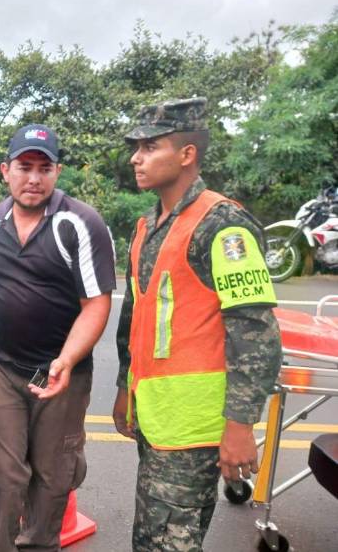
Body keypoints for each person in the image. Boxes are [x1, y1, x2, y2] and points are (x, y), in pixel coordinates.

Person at [114, 97, 283, 551]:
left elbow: (256, 333)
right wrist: (122, 390)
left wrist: (240, 425)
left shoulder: (222, 225)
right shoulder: (148, 226)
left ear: (187, 154)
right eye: (136, 147)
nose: (136, 157)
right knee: (149, 536)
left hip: (195, 428)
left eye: (150, 146)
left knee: (170, 543)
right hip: (155, 421)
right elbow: (137, 319)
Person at [0, 124, 116, 551]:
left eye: (44, 168)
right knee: (1, 473)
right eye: (24, 167)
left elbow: (96, 303)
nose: (33, 178)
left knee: (53, 477)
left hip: (61, 373)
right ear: (5, 171)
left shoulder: (80, 223)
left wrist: (67, 360)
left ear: (57, 173)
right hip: (1, 365)